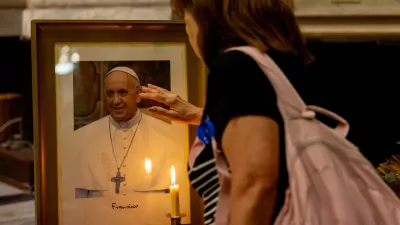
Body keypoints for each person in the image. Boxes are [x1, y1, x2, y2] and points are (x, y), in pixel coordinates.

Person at [139, 0, 314, 224]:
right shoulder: (282, 68)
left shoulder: (236, 67)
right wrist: (200, 115)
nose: (187, 30)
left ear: (206, 18)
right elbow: (270, 129)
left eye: (185, 18)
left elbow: (256, 184)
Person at [73, 66, 186, 200]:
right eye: (110, 93)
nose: (115, 101)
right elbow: (79, 200)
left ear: (138, 95)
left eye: (122, 92)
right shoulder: (84, 138)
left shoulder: (166, 136)